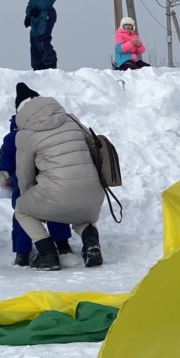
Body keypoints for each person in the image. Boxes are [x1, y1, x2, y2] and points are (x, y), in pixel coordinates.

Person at [13, 83, 104, 271]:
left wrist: (29, 196)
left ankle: (47, 253)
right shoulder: (72, 119)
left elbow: (25, 173)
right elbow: (93, 147)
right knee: (81, 214)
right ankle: (92, 245)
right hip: (93, 190)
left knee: (22, 209)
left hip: (57, 191)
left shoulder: (25, 134)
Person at [0, 102, 73, 266]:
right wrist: (3, 171)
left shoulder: (50, 132)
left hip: (49, 183)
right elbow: (7, 155)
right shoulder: (14, 136)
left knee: (56, 213)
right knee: (22, 217)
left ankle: (62, 244)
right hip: (24, 186)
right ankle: (22, 252)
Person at [23, 0, 59, 71]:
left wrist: (38, 7)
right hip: (35, 16)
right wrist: (28, 14)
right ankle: (37, 66)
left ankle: (49, 63)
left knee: (43, 38)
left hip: (46, 14)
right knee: (34, 39)